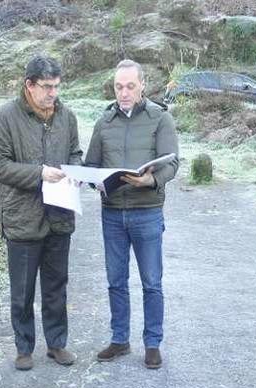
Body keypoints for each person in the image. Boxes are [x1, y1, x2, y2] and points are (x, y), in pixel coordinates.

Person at [0, 55, 82, 371]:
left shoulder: (66, 117)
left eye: (56, 86)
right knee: (23, 290)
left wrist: (76, 171)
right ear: (29, 85)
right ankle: (23, 348)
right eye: (46, 87)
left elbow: (75, 154)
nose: (52, 93)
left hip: (59, 216)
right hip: (23, 219)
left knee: (56, 287)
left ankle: (57, 345)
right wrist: (38, 173)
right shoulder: (5, 117)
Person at [85, 59, 180, 370]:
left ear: (142, 85)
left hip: (147, 213)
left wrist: (150, 180)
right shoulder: (104, 121)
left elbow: (172, 163)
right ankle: (120, 339)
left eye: (129, 86)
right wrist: (93, 180)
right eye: (118, 87)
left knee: (152, 282)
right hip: (112, 214)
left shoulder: (160, 119)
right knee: (116, 281)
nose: (123, 93)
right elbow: (91, 164)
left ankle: (152, 344)